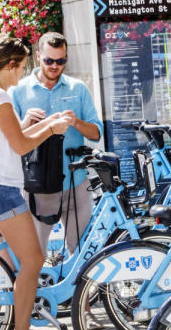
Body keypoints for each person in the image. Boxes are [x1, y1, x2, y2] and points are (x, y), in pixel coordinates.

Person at [0, 38, 74, 330]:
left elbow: (13, 137)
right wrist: (53, 128)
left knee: (7, 264)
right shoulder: (0, 97)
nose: (24, 73)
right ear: (11, 64)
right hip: (1, 188)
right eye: (23, 65)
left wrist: (43, 124)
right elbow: (20, 146)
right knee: (33, 261)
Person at [11, 31, 103, 255]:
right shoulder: (19, 90)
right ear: (38, 56)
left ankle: (79, 291)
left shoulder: (77, 88)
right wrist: (25, 123)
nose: (54, 66)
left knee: (81, 253)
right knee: (34, 255)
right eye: (49, 60)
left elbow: (96, 133)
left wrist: (76, 121)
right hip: (37, 185)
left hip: (75, 182)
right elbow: (10, 139)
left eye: (60, 61)